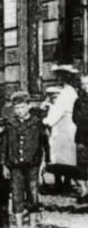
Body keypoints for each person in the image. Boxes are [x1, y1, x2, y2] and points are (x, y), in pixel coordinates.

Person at [0, 91, 46, 228]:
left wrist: (44, 164)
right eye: (16, 108)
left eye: (22, 107)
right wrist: (4, 166)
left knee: (33, 195)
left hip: (32, 166)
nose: (19, 111)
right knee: (16, 196)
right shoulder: (10, 124)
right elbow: (4, 147)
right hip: (15, 167)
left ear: (29, 106)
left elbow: (44, 145)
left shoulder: (37, 123)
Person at [44, 64, 78, 193]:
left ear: (67, 77)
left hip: (66, 125)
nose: (59, 78)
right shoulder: (62, 91)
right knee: (57, 153)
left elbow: (59, 110)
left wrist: (47, 121)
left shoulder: (68, 92)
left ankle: (66, 182)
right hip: (60, 125)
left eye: (62, 75)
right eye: (58, 75)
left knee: (66, 153)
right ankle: (59, 182)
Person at [73, 74, 88, 204]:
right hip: (82, 137)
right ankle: (84, 191)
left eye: (87, 84)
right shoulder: (79, 101)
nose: (85, 87)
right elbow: (75, 118)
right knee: (82, 165)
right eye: (83, 84)